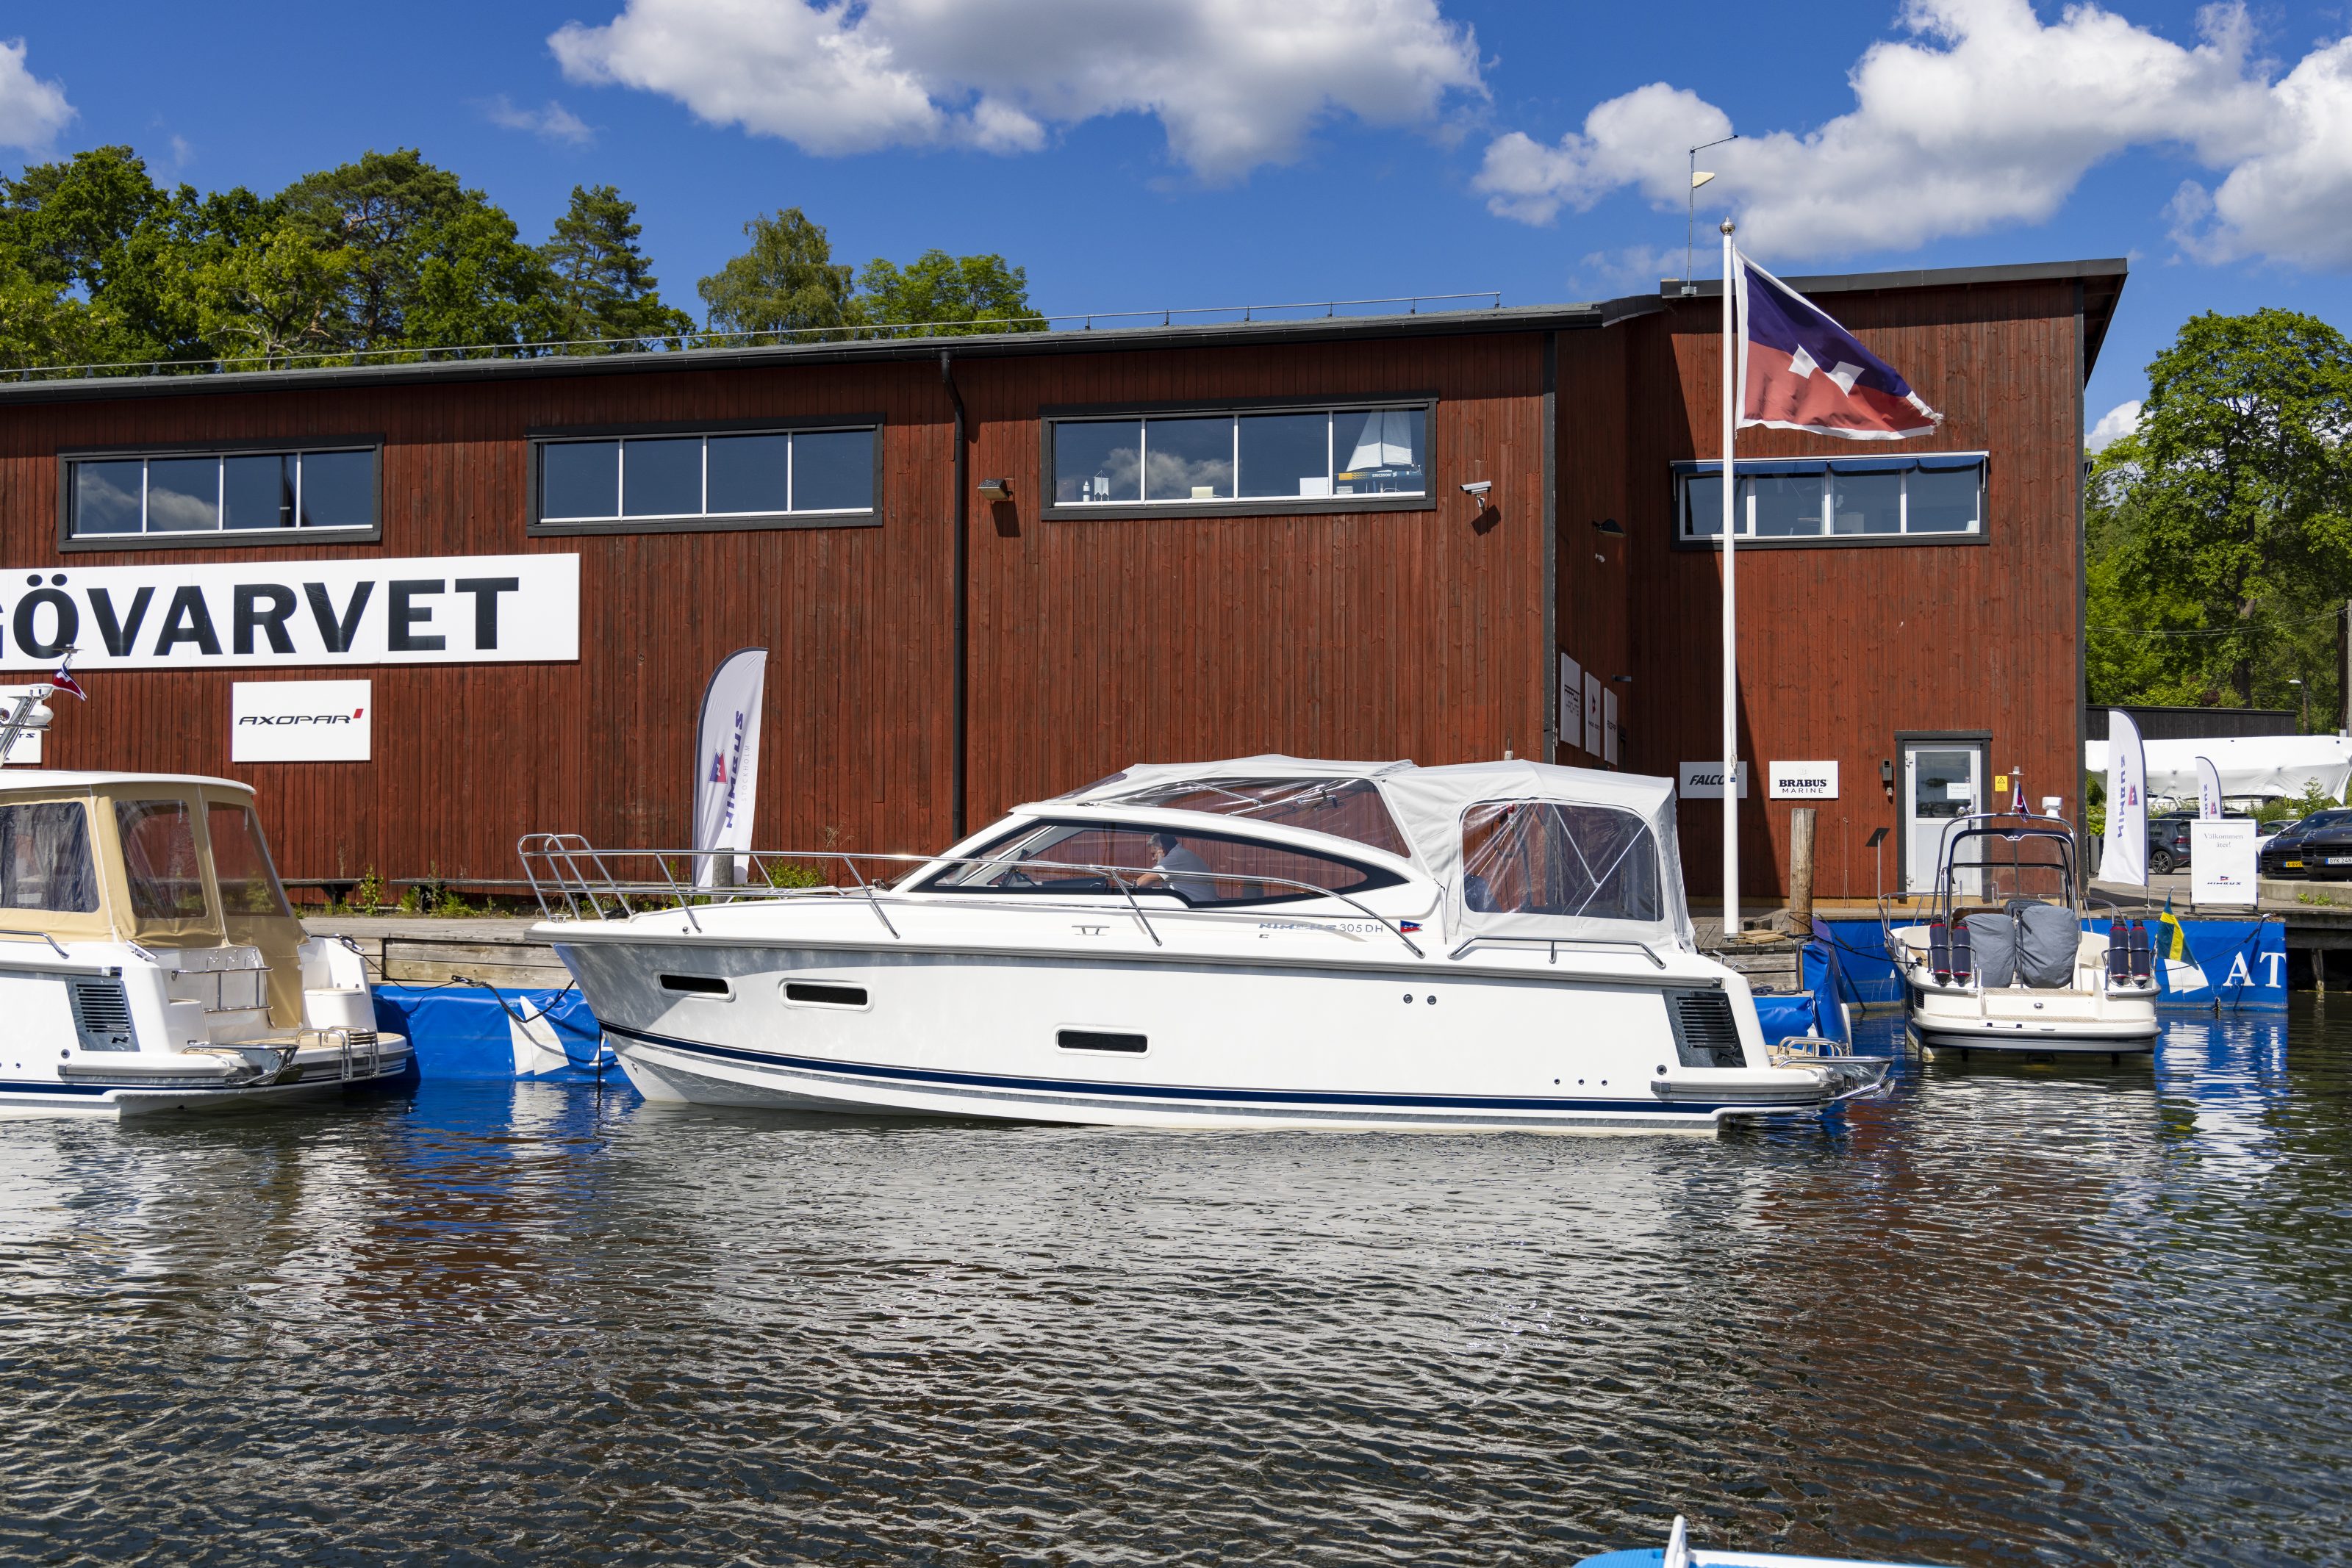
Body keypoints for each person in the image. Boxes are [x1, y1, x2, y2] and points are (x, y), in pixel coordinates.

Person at [1139, 832, 1216, 902]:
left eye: (1153, 854)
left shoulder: (1175, 858)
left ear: (1162, 850)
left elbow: (1141, 883)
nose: (1153, 859)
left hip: (1195, 908)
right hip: (1202, 905)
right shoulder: (1182, 854)